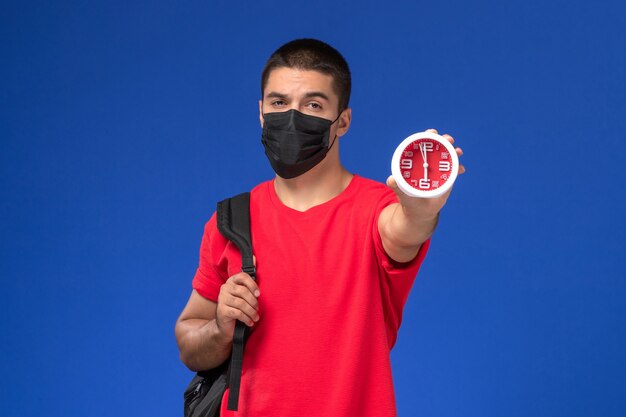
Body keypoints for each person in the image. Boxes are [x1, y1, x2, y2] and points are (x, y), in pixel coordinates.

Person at [175, 38, 465, 417]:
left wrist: (421, 206)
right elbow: (188, 342)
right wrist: (220, 326)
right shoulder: (231, 220)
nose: (292, 117)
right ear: (262, 113)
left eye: (313, 104)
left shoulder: (377, 210)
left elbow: (406, 229)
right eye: (279, 103)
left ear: (342, 121)